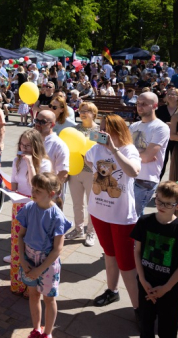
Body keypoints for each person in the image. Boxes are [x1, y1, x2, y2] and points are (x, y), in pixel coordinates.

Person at [84, 114, 141, 311]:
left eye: (105, 128)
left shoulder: (128, 149)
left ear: (117, 131)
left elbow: (134, 171)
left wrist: (114, 150)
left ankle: (138, 308)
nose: (101, 132)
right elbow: (88, 160)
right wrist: (95, 171)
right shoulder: (97, 148)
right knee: (109, 254)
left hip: (121, 217)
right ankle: (112, 291)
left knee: (126, 264)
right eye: (100, 128)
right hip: (98, 212)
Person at [132, 181, 178, 338]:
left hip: (170, 290)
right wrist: (142, 279)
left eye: (168, 204)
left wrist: (165, 288)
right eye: (159, 200)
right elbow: (137, 252)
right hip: (146, 285)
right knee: (145, 327)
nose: (161, 205)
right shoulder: (144, 222)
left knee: (167, 330)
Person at [17, 173, 72, 338]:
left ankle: (47, 333)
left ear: (51, 194)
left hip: (47, 263)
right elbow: (20, 236)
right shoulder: (28, 208)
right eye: (33, 188)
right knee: (33, 294)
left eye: (38, 190)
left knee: (49, 299)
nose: (33, 192)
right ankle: (36, 329)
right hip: (28, 258)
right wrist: (22, 259)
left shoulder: (57, 217)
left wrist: (39, 269)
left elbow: (57, 249)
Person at [9, 129, 53, 296]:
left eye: (28, 145)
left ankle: (32, 286)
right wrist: (11, 194)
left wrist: (29, 163)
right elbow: (14, 181)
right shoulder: (16, 160)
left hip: (35, 206)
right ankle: (18, 282)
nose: (24, 148)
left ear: (36, 146)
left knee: (33, 246)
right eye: (22, 145)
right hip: (19, 205)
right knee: (17, 243)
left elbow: (37, 185)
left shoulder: (44, 163)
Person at [130, 93, 170, 217]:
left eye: (144, 104)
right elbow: (124, 151)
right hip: (129, 175)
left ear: (155, 106)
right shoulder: (133, 126)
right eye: (138, 104)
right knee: (126, 216)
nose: (140, 107)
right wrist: (142, 154)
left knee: (134, 217)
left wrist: (134, 154)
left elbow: (147, 157)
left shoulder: (161, 128)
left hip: (146, 179)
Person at [67, 102, 100, 246]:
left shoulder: (99, 131)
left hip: (91, 173)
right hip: (75, 171)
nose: (83, 113)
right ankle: (78, 229)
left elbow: (103, 152)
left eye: (87, 111)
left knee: (92, 204)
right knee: (77, 204)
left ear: (94, 113)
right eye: (81, 110)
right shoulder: (74, 130)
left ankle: (91, 232)